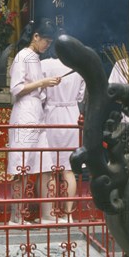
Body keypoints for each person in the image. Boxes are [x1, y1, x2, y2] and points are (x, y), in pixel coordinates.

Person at [7, 19, 62, 225]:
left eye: (50, 42)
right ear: (35, 37)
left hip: (37, 112)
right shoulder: (23, 55)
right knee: (21, 166)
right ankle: (16, 217)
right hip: (25, 111)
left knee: (45, 164)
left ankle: (47, 215)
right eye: (45, 41)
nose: (47, 45)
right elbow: (16, 88)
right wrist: (42, 82)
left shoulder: (35, 58)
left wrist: (44, 85)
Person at [41, 36, 86, 223]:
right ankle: (68, 215)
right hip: (71, 116)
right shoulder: (78, 67)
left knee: (51, 168)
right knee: (68, 169)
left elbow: (40, 93)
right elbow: (81, 96)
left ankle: (50, 214)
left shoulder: (44, 65)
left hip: (51, 115)